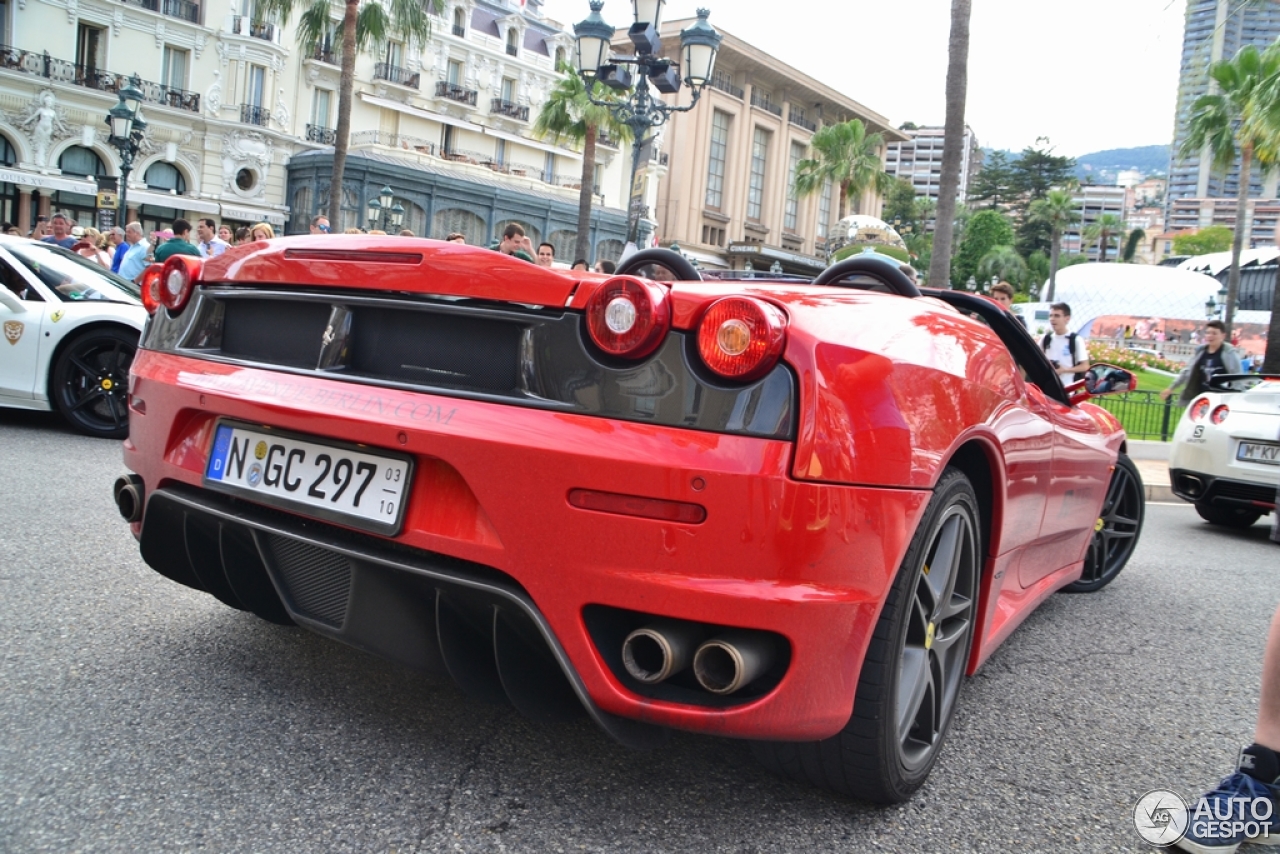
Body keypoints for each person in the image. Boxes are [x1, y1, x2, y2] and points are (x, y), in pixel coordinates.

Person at [1160, 319, 1243, 404]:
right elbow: (1187, 371)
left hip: (1221, 399)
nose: (1210, 336)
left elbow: (1237, 377)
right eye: (1208, 333)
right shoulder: (1200, 351)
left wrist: (1234, 399)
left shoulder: (1229, 353)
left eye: (1214, 333)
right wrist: (1171, 388)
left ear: (1223, 335)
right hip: (1202, 398)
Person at [1040, 302, 1090, 381]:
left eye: (1057, 316)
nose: (1052, 319)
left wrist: (1064, 370)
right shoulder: (1045, 339)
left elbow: (1085, 366)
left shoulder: (1075, 339)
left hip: (1068, 388)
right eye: (1050, 315)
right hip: (1047, 386)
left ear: (1067, 319)